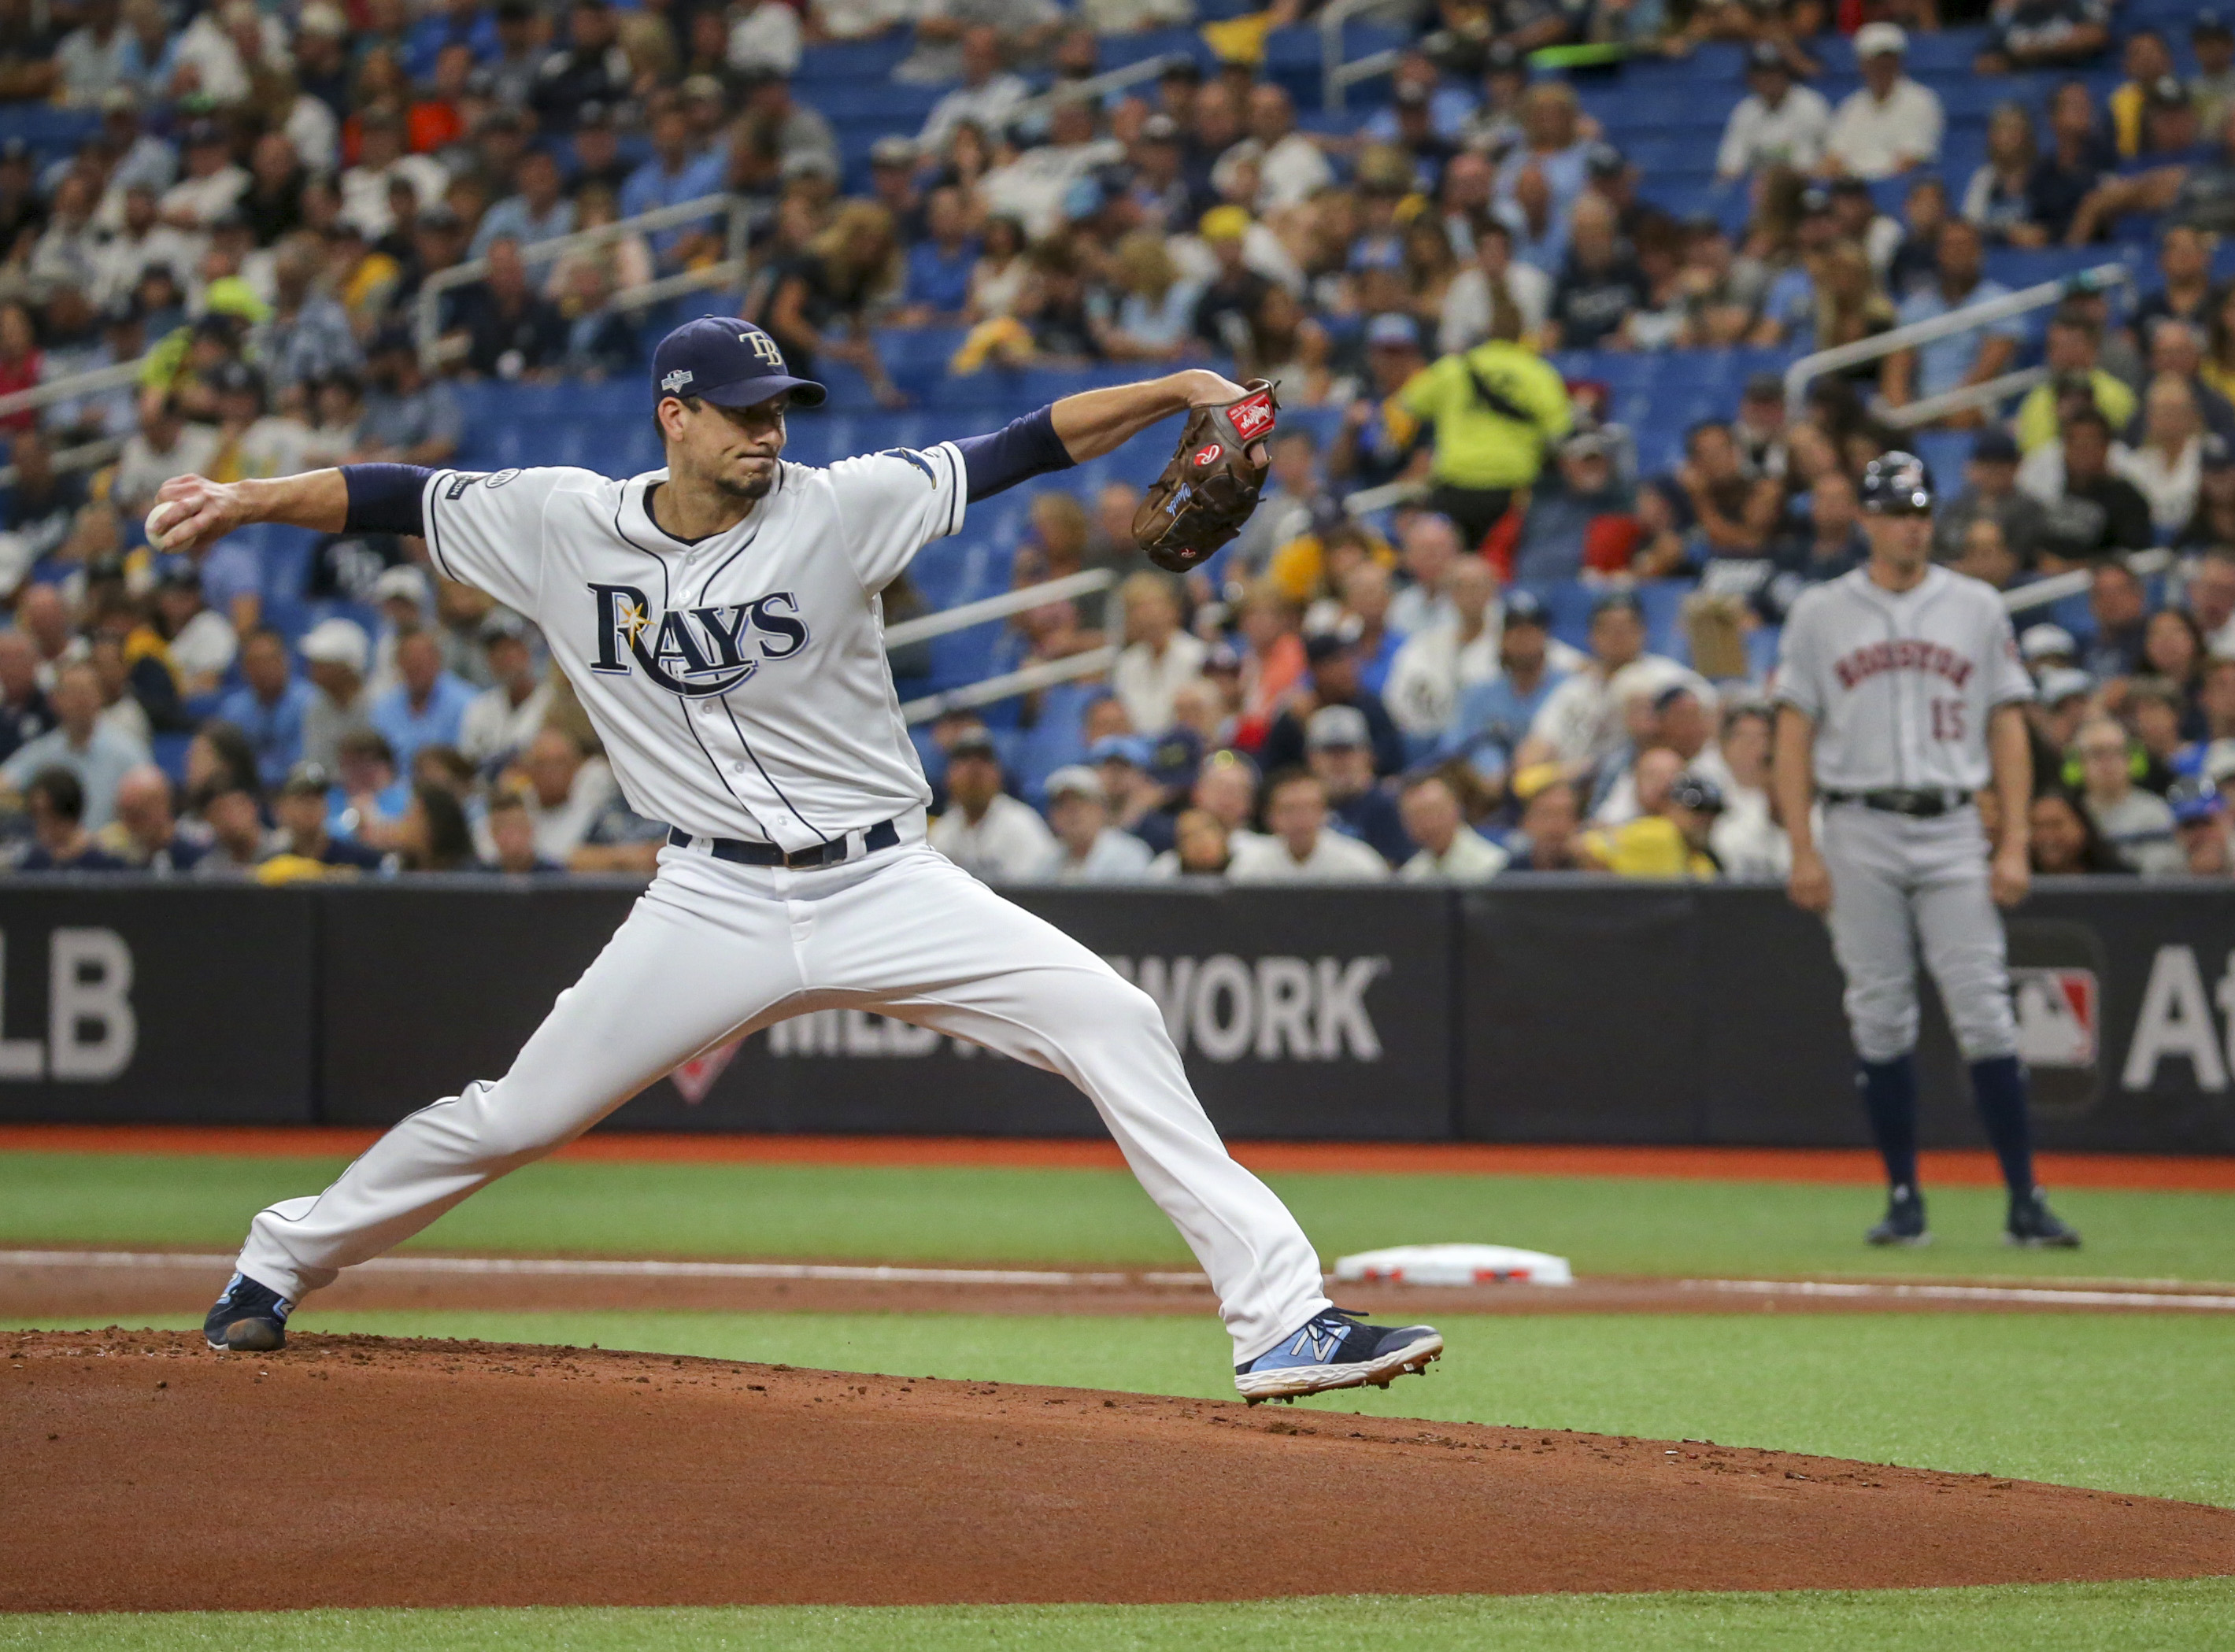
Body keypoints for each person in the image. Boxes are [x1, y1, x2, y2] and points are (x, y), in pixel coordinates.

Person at [161, 319, 1441, 1399]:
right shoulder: (557, 521)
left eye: (777, 407)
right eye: (739, 411)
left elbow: (1028, 443)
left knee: (1112, 1017)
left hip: (883, 880)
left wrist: (1171, 389)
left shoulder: (841, 505)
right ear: (673, 415)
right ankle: (280, 1257)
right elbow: (393, 494)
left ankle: (1278, 1319)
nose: (766, 430)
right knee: (518, 1111)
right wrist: (243, 498)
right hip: (706, 895)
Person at [1773, 450, 2079, 1251]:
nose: (1910, 524)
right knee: (1878, 1013)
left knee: (1983, 1006)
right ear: (1866, 520)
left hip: (1949, 823)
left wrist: (2012, 841)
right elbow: (1792, 731)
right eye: (1895, 511)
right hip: (1858, 824)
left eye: (1919, 510)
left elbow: (2006, 723)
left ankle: (2024, 1198)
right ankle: (1904, 1197)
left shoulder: (1974, 604)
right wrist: (1801, 844)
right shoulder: (1820, 611)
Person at [0, 660, 148, 829]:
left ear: (100, 696)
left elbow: (150, 799)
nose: (80, 701)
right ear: (54, 700)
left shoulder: (127, 751)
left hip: (109, 849)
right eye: (72, 693)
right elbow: (7, 780)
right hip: (56, 848)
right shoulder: (44, 750)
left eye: (86, 692)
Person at [928, 725, 1056, 881]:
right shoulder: (943, 831)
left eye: (984, 761)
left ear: (999, 774)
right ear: (948, 776)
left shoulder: (1022, 825)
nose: (974, 770)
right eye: (964, 761)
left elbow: (1037, 896)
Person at [1823, 24, 1943, 182]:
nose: (1881, 66)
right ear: (1862, 64)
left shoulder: (1922, 101)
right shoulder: (1851, 105)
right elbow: (1833, 158)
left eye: (1888, 59)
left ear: (1899, 61)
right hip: (1853, 191)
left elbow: (1911, 161)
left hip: (1899, 189)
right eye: (1874, 60)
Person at [1227, 769, 1389, 883]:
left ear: (1325, 813)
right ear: (1270, 816)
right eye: (1289, 809)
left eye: (1310, 808)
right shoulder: (1251, 866)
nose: (1300, 820)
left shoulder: (1359, 863)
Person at [2071, 714, 2181, 875]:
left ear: (2130, 759)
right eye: (2097, 753)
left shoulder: (2155, 812)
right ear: (2079, 762)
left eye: (2116, 752)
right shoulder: (2070, 815)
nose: (2107, 762)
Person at [1304, 704, 1410, 867]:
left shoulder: (1387, 807)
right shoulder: (1300, 806)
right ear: (1312, 759)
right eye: (1329, 752)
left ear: (1368, 756)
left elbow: (1396, 872)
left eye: (1348, 751)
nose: (1339, 762)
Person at [1033, 764, 1153, 882]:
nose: (1072, 811)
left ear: (1101, 809)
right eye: (1062, 804)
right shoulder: (1047, 860)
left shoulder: (1129, 854)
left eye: (1082, 802)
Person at [1397, 771, 1508, 881]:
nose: (1429, 824)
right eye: (1417, 816)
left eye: (1435, 811)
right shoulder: (1410, 875)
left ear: (1457, 809)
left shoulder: (1494, 867)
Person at [15, 765, 128, 870]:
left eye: (50, 816)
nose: (42, 825)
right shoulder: (32, 864)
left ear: (69, 815)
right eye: (36, 816)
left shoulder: (108, 866)